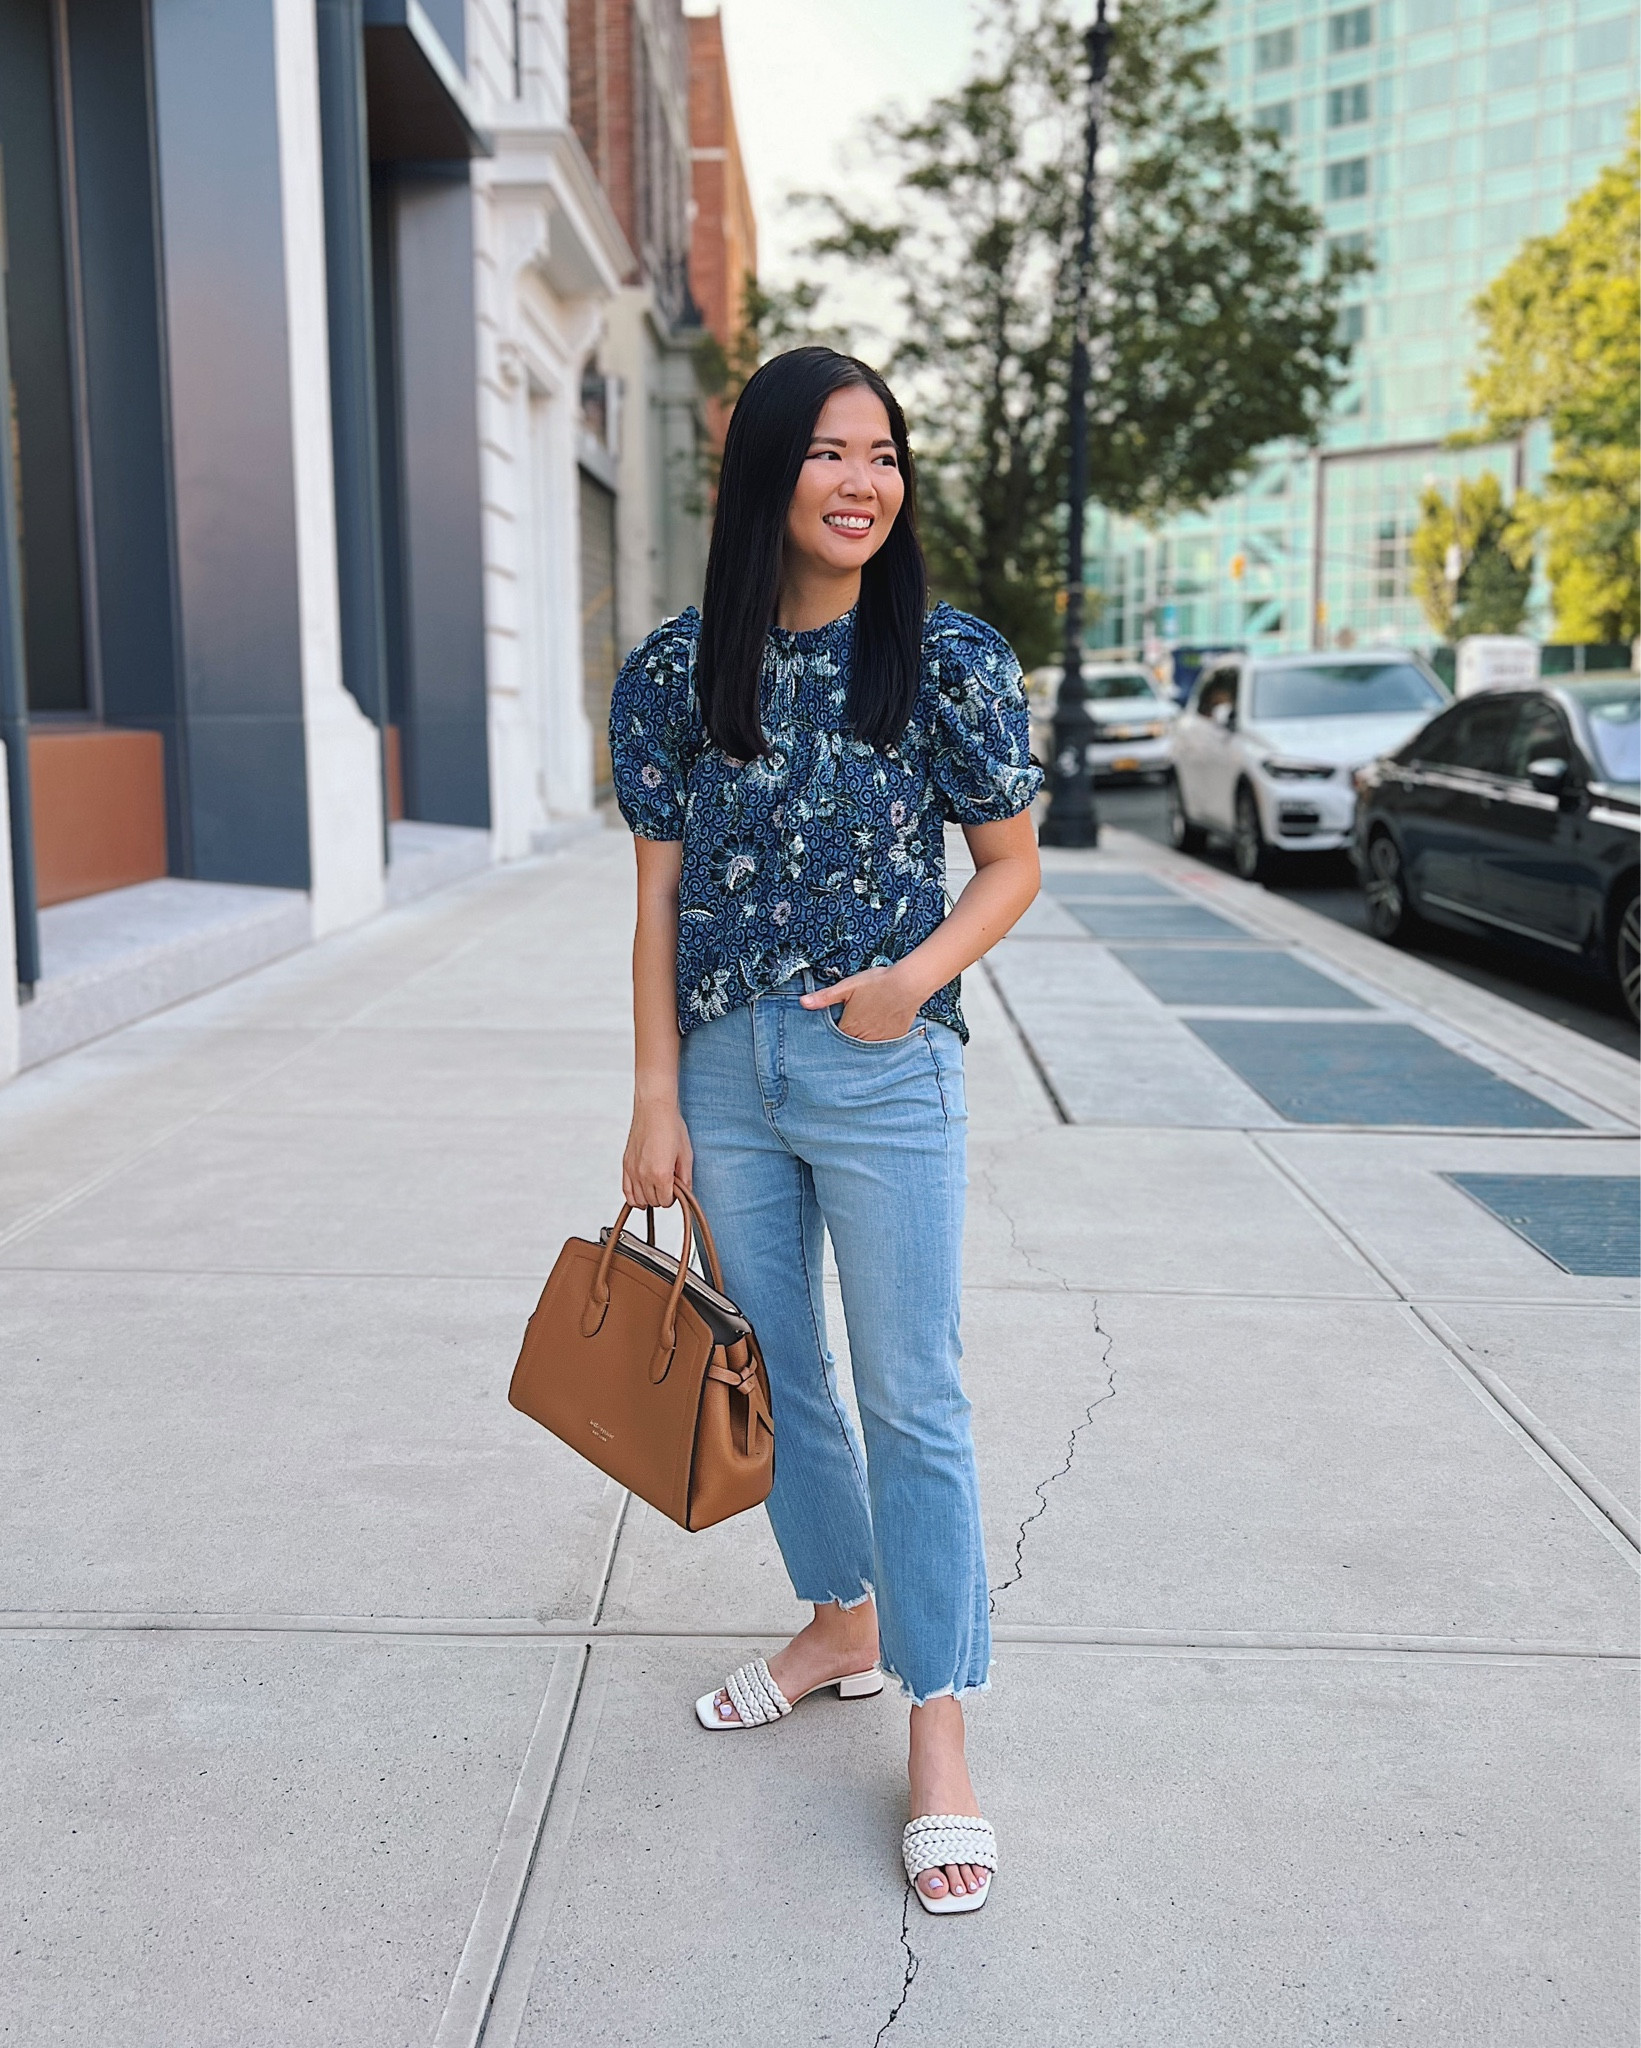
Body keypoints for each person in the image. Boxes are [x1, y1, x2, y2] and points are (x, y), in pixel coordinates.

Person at [609, 345, 1041, 1915]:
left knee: (913, 1393)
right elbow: (655, 899)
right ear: (764, 475)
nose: (864, 482)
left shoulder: (942, 657)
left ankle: (938, 1722)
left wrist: (907, 984)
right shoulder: (673, 668)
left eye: (885, 455)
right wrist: (656, 1093)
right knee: (781, 1373)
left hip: (881, 1065)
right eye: (829, 454)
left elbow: (1008, 864)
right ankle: (838, 1619)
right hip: (726, 1072)